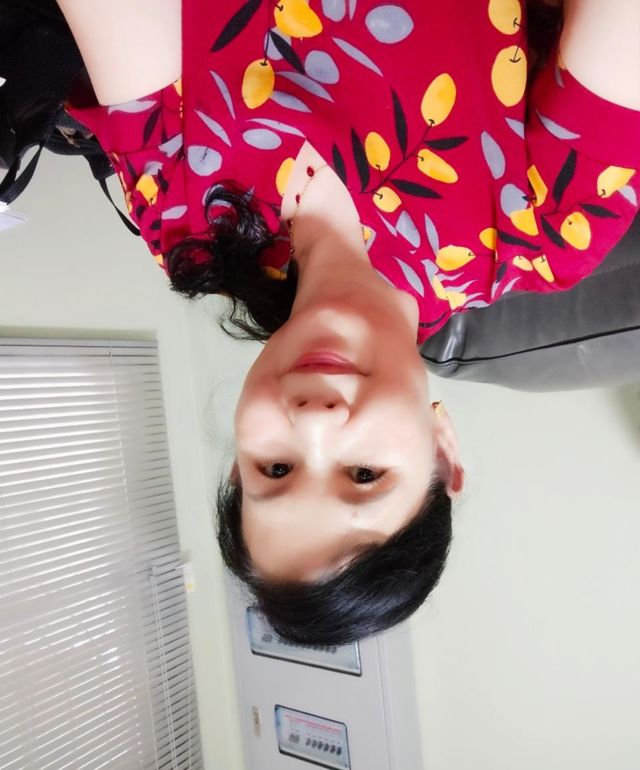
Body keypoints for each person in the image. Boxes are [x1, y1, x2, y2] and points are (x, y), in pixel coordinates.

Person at [58, 0, 640, 645]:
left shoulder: (187, 227)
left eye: (275, 469)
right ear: (443, 453)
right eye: (364, 475)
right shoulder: (546, 230)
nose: (313, 421)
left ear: (236, 465)